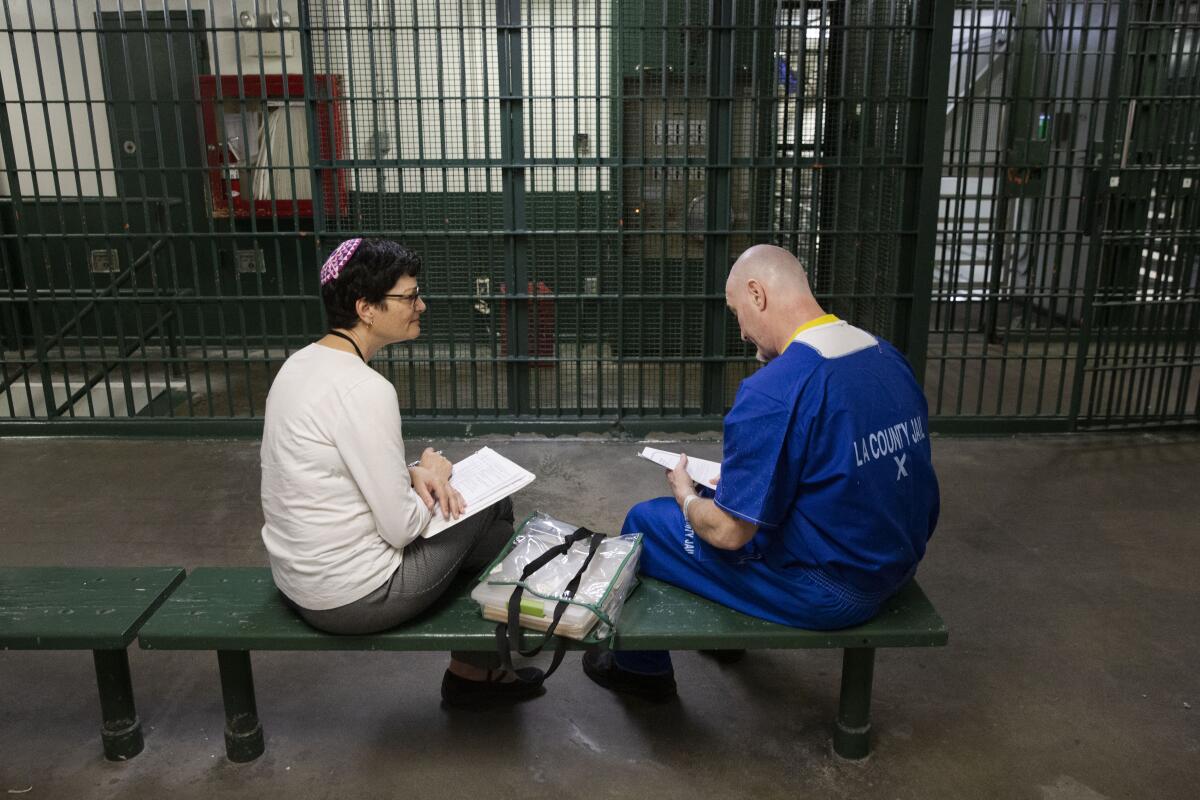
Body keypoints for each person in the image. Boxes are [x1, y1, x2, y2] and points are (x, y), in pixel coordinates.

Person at [583, 244, 940, 700]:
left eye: (737, 313)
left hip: (833, 592)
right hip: (899, 563)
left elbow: (730, 533)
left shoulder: (775, 388)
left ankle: (640, 673)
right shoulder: (886, 357)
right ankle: (728, 643)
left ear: (757, 294)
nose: (742, 332)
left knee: (646, 524)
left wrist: (686, 495)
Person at [260, 238, 544, 708]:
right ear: (366, 308)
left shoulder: (300, 365)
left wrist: (413, 472)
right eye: (409, 297)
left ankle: (476, 669)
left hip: (295, 579)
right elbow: (400, 528)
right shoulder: (366, 389)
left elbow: (337, 468)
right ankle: (476, 674)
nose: (421, 305)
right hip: (352, 598)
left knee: (484, 538)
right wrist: (435, 473)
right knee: (494, 507)